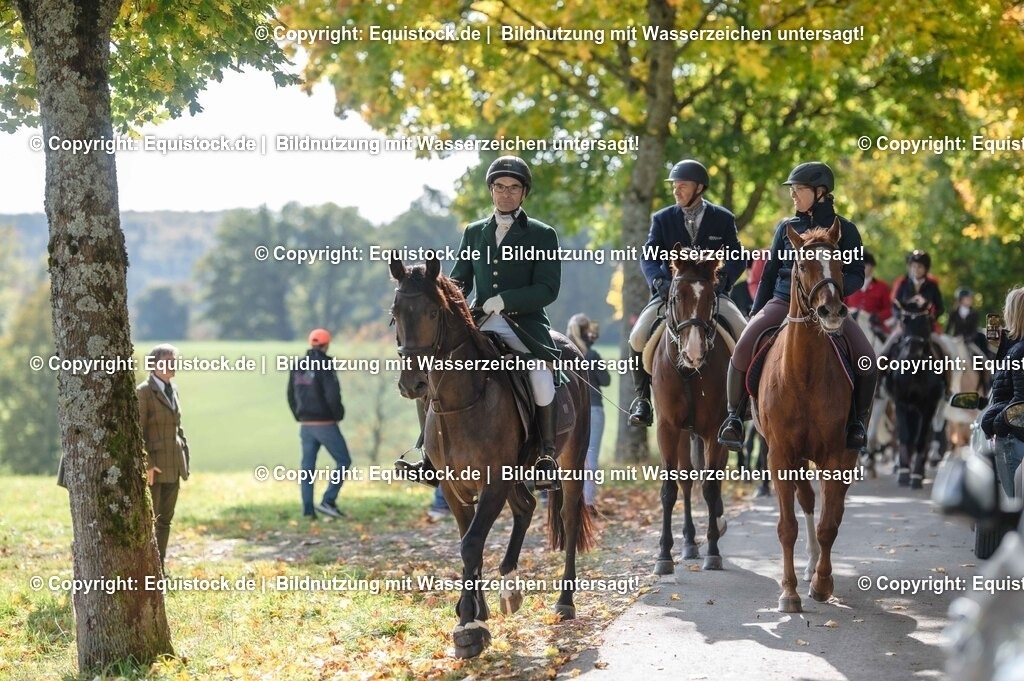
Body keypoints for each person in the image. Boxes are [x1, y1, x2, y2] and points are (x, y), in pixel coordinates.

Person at [395, 156, 562, 491]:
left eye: (513, 188)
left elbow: (547, 289)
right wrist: (443, 293)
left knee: (541, 377)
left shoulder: (543, 235)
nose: (506, 194)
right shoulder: (474, 232)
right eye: (500, 187)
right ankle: (429, 457)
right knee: (434, 373)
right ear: (491, 190)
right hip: (480, 321)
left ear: (523, 193)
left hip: (523, 326)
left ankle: (545, 456)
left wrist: (507, 301)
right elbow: (459, 281)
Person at [718, 161, 877, 450]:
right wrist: (757, 312)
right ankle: (734, 418)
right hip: (783, 302)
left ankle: (856, 423)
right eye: (792, 190)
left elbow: (856, 274)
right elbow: (768, 273)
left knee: (867, 358)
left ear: (820, 192)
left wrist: (831, 291)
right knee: (742, 347)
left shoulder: (847, 231)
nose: (793, 195)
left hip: (830, 306)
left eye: (798, 190)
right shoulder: (785, 228)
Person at [627, 159, 747, 427]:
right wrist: (659, 282)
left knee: (743, 331)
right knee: (637, 337)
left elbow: (738, 257)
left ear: (699, 188)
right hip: (670, 293)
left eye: (682, 186)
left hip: (711, 294)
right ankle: (642, 400)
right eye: (674, 186)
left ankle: (741, 404)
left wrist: (722, 282)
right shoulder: (662, 218)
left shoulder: (723, 219)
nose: (676, 191)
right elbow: (648, 255)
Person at [287, 328, 352, 520]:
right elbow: (332, 395)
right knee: (344, 461)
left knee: (307, 467)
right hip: (325, 423)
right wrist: (338, 414)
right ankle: (328, 500)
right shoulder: (326, 366)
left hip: (306, 425)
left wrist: (298, 416)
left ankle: (308, 511)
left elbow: (290, 395)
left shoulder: (297, 365)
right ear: (326, 344)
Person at [137, 343, 190, 570]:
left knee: (166, 521)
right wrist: (147, 463)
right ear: (153, 365)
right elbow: (137, 432)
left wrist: (184, 454)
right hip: (155, 467)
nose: (172, 365)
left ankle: (159, 569)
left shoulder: (174, 390)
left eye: (174, 360)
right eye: (167, 361)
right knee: (151, 521)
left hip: (174, 464)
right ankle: (147, 570)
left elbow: (177, 427)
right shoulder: (143, 392)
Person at [980, 286, 1024, 485]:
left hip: (1013, 437)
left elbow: (1020, 400)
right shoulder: (1015, 348)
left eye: (1007, 310)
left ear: (1014, 313)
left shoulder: (1019, 352)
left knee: (1013, 504)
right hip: (1013, 434)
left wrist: (997, 422)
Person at [568, 313, 610, 515]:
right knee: (591, 458)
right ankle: (589, 502)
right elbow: (606, 380)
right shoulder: (592, 355)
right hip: (593, 408)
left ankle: (572, 500)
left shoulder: (565, 353)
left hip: (570, 410)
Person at [845, 250, 891, 338]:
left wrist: (877, 317)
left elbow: (888, 310)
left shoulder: (882, 286)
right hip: (850, 324)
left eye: (865, 264)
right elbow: (841, 304)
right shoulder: (848, 284)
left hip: (873, 325)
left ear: (872, 267)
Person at [946, 287, 989, 358]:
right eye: (967, 298)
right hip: (956, 340)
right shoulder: (954, 313)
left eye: (970, 298)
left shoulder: (974, 313)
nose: (970, 300)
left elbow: (974, 329)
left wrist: (967, 339)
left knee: (980, 355)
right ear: (960, 300)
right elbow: (948, 327)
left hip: (970, 340)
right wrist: (948, 339)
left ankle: (987, 364)